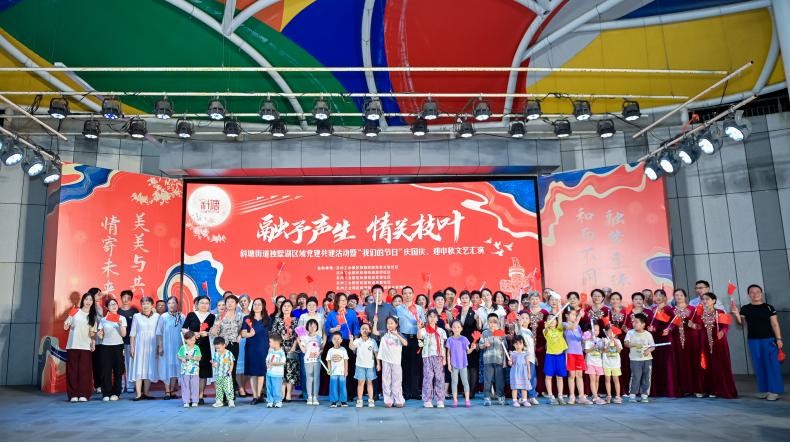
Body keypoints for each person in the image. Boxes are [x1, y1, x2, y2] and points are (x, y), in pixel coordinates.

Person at [732, 284, 784, 401]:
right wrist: (736, 314)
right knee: (758, 365)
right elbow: (741, 323)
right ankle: (764, 390)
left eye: (757, 292)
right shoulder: (745, 308)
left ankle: (774, 391)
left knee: (772, 365)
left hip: (769, 340)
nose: (755, 294)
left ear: (761, 293)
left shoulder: (769, 307)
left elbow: (775, 324)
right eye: (752, 292)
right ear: (748, 295)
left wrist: (779, 339)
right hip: (753, 340)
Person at [695, 293, 738, 398]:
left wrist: (722, 332)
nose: (705, 301)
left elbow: (725, 326)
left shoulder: (720, 312)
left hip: (718, 342)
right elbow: (699, 327)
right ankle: (709, 390)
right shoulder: (699, 313)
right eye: (703, 299)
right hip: (704, 343)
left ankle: (720, 389)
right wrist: (694, 325)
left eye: (707, 299)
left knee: (719, 365)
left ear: (714, 301)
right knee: (705, 365)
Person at [663, 288, 704, 397]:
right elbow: (668, 325)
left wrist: (693, 325)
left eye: (681, 295)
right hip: (676, 340)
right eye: (676, 295)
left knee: (694, 363)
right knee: (679, 363)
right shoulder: (670, 310)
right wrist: (668, 330)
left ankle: (697, 389)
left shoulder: (693, 309)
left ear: (685, 297)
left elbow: (700, 325)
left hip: (692, 340)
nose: (679, 297)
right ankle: (683, 388)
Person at [181, 296, 216, 405]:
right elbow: (183, 328)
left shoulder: (212, 316)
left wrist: (208, 333)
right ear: (197, 304)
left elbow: (215, 331)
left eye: (206, 303)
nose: (204, 305)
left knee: (203, 372)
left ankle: (200, 396)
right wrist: (192, 333)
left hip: (206, 346)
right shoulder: (191, 315)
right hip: (192, 347)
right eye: (202, 303)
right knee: (192, 371)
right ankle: (191, 396)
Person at [64, 291, 98, 402]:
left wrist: (93, 342)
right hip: (73, 345)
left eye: (90, 300)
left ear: (93, 302)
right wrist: (66, 324)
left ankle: (84, 394)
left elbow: (92, 333)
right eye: (86, 299)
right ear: (83, 300)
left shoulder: (93, 316)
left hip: (86, 346)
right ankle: (73, 394)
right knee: (72, 371)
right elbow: (66, 326)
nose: (88, 302)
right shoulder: (75, 311)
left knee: (85, 371)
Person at [648, 289, 679, 397]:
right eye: (656, 295)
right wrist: (650, 327)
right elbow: (650, 323)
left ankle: (669, 389)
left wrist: (669, 329)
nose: (658, 297)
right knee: (657, 363)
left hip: (665, 339)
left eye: (660, 295)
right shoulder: (653, 310)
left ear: (665, 298)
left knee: (667, 363)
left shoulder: (669, 309)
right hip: (655, 339)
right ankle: (658, 390)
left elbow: (674, 323)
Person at [394, 286, 424, 400]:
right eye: (405, 293)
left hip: (417, 338)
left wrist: (421, 324)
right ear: (402, 295)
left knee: (416, 365)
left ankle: (415, 391)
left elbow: (424, 323)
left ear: (413, 294)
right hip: (403, 338)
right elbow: (395, 324)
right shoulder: (397, 309)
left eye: (410, 293)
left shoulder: (419, 309)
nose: (407, 295)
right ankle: (406, 392)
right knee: (404, 365)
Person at [211, 294, 243, 396]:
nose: (229, 304)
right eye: (227, 302)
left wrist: (240, 335)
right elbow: (214, 333)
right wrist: (216, 326)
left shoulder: (239, 316)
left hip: (233, 345)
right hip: (221, 347)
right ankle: (222, 396)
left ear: (236, 304)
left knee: (231, 370)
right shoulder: (219, 316)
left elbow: (242, 330)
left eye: (232, 302)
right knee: (220, 369)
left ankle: (230, 396)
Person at [129, 296, 160, 401]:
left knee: (149, 368)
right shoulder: (136, 316)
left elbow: (159, 332)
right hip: (139, 345)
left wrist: (158, 346)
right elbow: (132, 333)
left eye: (148, 303)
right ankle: (138, 394)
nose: (145, 305)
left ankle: (146, 393)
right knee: (138, 368)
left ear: (152, 305)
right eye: (143, 303)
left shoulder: (157, 316)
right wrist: (132, 347)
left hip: (152, 345)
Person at [97, 297, 127, 401]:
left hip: (118, 346)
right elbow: (101, 335)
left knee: (118, 370)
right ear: (107, 308)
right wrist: (100, 334)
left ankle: (116, 393)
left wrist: (120, 326)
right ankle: (106, 393)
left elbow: (124, 334)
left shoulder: (122, 318)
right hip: (106, 347)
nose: (114, 306)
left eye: (115, 304)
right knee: (106, 371)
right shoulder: (103, 320)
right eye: (111, 304)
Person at [242, 297, 270, 405]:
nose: (257, 306)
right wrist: (250, 334)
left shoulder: (267, 319)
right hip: (251, 348)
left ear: (263, 306)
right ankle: (255, 396)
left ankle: (259, 395)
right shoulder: (247, 319)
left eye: (259, 304)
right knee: (253, 373)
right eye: (255, 304)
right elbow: (243, 333)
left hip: (264, 348)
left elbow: (271, 334)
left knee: (262, 372)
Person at [374, 315, 406, 408]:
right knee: (386, 381)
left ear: (396, 324)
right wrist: (375, 322)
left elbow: (405, 343)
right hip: (386, 361)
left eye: (392, 323)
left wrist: (397, 335)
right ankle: (388, 400)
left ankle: (399, 400)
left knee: (397, 381)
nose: (390, 325)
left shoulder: (399, 334)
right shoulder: (384, 334)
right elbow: (375, 332)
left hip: (396, 361)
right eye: (388, 323)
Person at [418, 309, 448, 408]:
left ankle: (440, 399)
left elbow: (443, 346)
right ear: (427, 318)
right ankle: (427, 400)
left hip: (439, 356)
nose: (432, 318)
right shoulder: (424, 330)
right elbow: (419, 337)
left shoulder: (441, 331)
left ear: (437, 319)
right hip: (427, 356)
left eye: (434, 316)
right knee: (428, 377)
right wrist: (419, 328)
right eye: (430, 316)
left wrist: (444, 358)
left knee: (439, 378)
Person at [156, 296, 184, 400]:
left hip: (178, 346)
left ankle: (172, 390)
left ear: (177, 304)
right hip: (166, 346)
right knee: (166, 367)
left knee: (175, 367)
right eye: (169, 303)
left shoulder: (182, 316)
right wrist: (160, 346)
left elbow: (185, 331)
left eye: (173, 303)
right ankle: (167, 391)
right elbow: (159, 333)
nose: (171, 305)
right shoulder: (163, 317)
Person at [271, 299, 299, 401]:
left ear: (292, 308)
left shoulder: (296, 320)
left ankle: (289, 394)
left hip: (292, 348)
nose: (286, 308)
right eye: (284, 306)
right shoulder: (277, 320)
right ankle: (282, 394)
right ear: (281, 308)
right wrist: (281, 337)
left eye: (288, 306)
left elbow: (298, 335)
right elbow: (273, 334)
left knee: (291, 371)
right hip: (280, 348)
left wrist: (294, 346)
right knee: (281, 371)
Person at [625, 313, 654, 403]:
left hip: (647, 359)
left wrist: (648, 350)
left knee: (646, 377)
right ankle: (632, 395)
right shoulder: (630, 332)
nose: (634, 323)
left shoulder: (648, 334)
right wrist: (634, 344)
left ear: (643, 324)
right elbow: (626, 343)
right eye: (633, 322)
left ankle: (644, 395)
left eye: (636, 322)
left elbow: (652, 346)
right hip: (635, 360)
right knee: (636, 377)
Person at [446, 319, 475, 407]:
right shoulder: (449, 340)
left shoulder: (464, 339)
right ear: (451, 328)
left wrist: (472, 348)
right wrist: (449, 364)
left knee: (465, 382)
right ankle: (455, 400)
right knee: (454, 382)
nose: (456, 329)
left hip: (463, 363)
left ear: (461, 328)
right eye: (454, 327)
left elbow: (468, 352)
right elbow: (448, 353)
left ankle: (467, 400)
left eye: (458, 327)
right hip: (454, 364)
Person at [564, 309, 590, 405]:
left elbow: (580, 339)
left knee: (579, 375)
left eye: (575, 315)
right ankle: (572, 396)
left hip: (579, 353)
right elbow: (572, 327)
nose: (574, 316)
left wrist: (586, 338)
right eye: (573, 314)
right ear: (566, 315)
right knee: (572, 375)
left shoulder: (578, 327)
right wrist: (579, 317)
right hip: (570, 353)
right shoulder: (564, 324)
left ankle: (581, 396)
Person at [480, 313, 507, 406]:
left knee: (500, 380)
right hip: (488, 360)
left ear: (498, 323)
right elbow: (480, 345)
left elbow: (504, 348)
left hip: (499, 360)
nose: (492, 324)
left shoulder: (501, 333)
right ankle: (487, 397)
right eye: (490, 322)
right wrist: (484, 345)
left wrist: (504, 361)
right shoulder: (485, 333)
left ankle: (500, 396)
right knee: (488, 380)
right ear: (487, 323)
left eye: (495, 322)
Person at [351, 323, 379, 407]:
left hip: (370, 365)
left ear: (370, 330)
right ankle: (360, 400)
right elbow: (352, 347)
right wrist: (351, 340)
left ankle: (371, 400)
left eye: (366, 329)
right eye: (362, 328)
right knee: (360, 383)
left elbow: (376, 353)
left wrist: (378, 364)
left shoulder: (372, 341)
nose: (364, 330)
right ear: (360, 331)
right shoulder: (357, 340)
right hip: (360, 365)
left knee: (369, 383)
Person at [525, 292, 547, 397]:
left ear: (539, 300)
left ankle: (541, 389)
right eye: (532, 299)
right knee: (529, 367)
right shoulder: (525, 312)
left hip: (541, 343)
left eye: (536, 299)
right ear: (529, 300)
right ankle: (529, 389)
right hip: (527, 343)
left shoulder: (545, 312)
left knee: (541, 365)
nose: (534, 301)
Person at [297, 319, 323, 405]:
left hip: (317, 361)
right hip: (308, 360)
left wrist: (319, 352)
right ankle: (309, 397)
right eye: (310, 326)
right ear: (307, 327)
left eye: (314, 326)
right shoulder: (304, 338)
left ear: (317, 327)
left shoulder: (319, 338)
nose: (312, 328)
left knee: (316, 378)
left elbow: (321, 349)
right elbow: (304, 351)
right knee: (309, 378)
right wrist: (299, 342)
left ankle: (315, 397)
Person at [543, 312, 567, 405]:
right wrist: (546, 326)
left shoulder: (559, 330)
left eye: (554, 319)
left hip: (560, 356)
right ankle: (550, 396)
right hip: (550, 356)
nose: (552, 320)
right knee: (548, 376)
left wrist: (559, 306)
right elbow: (545, 331)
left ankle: (560, 396)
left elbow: (560, 318)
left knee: (559, 377)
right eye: (550, 319)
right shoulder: (546, 330)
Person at [515, 312, 539, 405]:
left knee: (532, 377)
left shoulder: (529, 331)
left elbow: (532, 346)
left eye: (526, 318)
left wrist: (534, 356)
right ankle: (521, 397)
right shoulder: (519, 329)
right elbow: (518, 333)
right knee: (522, 378)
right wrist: (519, 324)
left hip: (531, 358)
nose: (524, 320)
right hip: (522, 358)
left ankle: (531, 396)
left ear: (529, 321)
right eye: (522, 318)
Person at [118, 290, 138, 393]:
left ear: (131, 299)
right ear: (121, 298)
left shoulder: (135, 311)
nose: (126, 299)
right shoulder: (117, 311)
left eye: (128, 298)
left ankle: (130, 384)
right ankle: (121, 385)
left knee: (130, 364)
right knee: (120, 364)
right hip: (118, 342)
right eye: (124, 297)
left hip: (130, 341)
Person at [177, 331, 202, 408]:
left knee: (195, 386)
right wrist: (182, 359)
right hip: (185, 370)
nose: (193, 342)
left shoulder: (196, 347)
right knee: (185, 386)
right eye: (190, 340)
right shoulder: (183, 347)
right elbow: (178, 355)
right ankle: (186, 401)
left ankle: (195, 401)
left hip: (194, 370)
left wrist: (193, 357)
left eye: (194, 340)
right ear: (185, 340)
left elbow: (199, 358)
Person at [584, 322, 606, 405]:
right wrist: (593, 347)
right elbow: (586, 351)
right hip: (590, 363)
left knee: (597, 380)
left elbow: (602, 351)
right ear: (590, 331)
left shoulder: (599, 340)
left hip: (598, 363)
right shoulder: (588, 340)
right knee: (592, 379)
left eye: (598, 330)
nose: (597, 332)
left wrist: (603, 344)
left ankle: (594, 396)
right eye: (595, 330)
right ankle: (596, 397)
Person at [211, 336, 236, 408]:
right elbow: (214, 363)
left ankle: (230, 401)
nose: (217, 349)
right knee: (219, 388)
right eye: (216, 348)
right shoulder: (215, 354)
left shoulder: (229, 353)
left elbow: (232, 363)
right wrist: (214, 364)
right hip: (218, 374)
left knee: (228, 388)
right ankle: (219, 401)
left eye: (219, 348)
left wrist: (230, 371)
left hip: (226, 375)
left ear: (224, 345)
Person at [327, 332, 350, 407]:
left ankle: (343, 401)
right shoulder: (330, 350)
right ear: (332, 340)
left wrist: (346, 370)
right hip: (333, 372)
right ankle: (334, 401)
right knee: (333, 387)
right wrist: (329, 370)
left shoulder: (343, 350)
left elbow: (346, 361)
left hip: (342, 372)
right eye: (334, 339)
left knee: (342, 387)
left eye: (338, 339)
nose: (336, 340)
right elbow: (328, 361)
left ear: (341, 340)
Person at [509, 335, 532, 407]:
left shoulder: (525, 354)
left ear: (523, 344)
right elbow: (510, 363)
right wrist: (510, 362)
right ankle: (515, 401)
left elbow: (528, 364)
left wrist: (529, 373)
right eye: (516, 343)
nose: (518, 345)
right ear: (514, 344)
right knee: (515, 387)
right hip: (515, 373)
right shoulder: (513, 353)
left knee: (524, 387)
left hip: (523, 373)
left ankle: (524, 400)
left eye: (520, 343)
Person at [602, 326, 623, 404]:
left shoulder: (618, 341)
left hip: (616, 364)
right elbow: (604, 351)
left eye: (613, 332)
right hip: (606, 364)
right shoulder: (604, 340)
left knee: (616, 380)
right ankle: (609, 395)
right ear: (606, 332)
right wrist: (607, 344)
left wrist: (615, 343)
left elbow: (619, 351)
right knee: (607, 380)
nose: (611, 334)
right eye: (610, 332)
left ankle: (618, 396)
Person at [265, 333, 286, 408]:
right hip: (269, 373)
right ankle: (270, 401)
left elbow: (283, 362)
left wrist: (273, 363)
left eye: (270, 342)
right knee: (269, 387)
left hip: (277, 374)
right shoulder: (270, 350)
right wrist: (268, 363)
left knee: (277, 388)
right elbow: (267, 359)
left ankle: (278, 401)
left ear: (276, 342)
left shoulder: (281, 352)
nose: (269, 343)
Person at [236, 294, 251, 397]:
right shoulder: (237, 314)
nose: (243, 303)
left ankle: (244, 387)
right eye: (241, 301)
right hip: (240, 341)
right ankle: (240, 388)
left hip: (251, 341)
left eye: (245, 301)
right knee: (239, 365)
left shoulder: (253, 314)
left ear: (249, 302)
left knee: (247, 365)